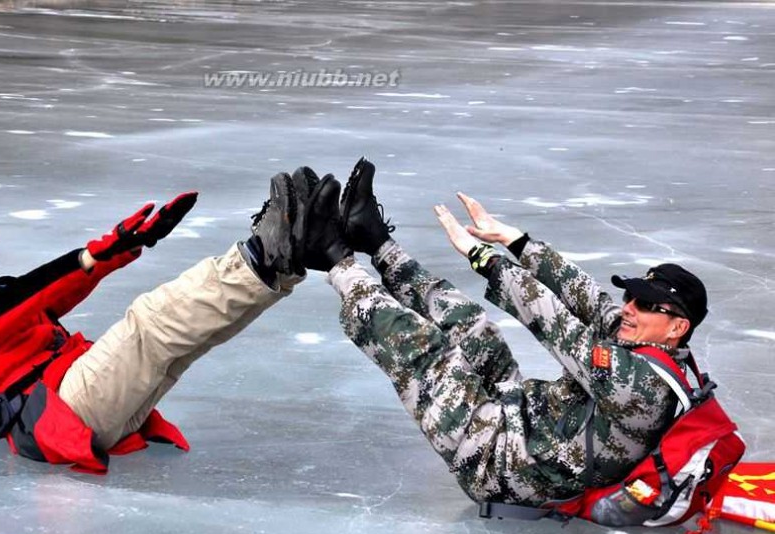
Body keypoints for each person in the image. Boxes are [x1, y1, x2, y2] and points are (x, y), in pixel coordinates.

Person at [297, 158, 710, 507]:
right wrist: (516, 240)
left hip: (496, 462)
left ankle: (333, 258)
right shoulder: (640, 338)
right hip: (518, 415)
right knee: (470, 325)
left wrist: (482, 256)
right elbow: (583, 295)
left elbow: (552, 320)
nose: (629, 309)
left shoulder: (640, 387)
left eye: (645, 304)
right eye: (632, 297)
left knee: (425, 351)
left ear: (678, 327)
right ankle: (374, 239)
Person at [0, 173, 306, 473]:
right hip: (59, 413)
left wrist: (131, 245)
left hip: (90, 407)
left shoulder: (5, 296)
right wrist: (93, 252)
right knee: (151, 323)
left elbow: (56, 292)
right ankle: (258, 255)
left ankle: (285, 263)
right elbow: (33, 296)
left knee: (185, 343)